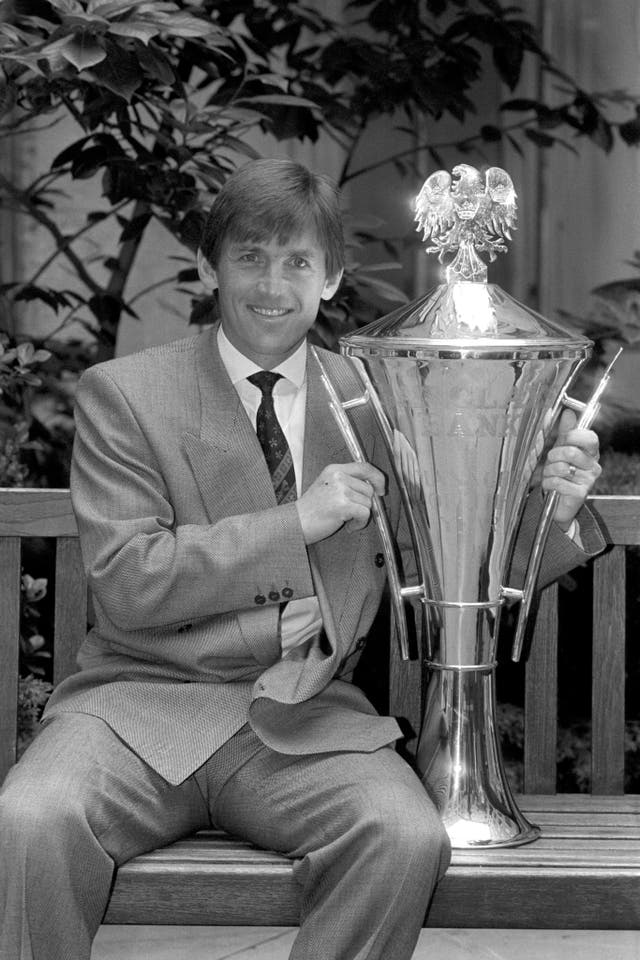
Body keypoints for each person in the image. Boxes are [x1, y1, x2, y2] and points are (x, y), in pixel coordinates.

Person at [0, 158, 605, 960]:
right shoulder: (125, 393)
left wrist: (554, 512)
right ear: (211, 267)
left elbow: (453, 556)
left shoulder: (380, 394)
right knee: (29, 820)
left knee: (399, 837)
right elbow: (127, 581)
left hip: (302, 717)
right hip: (132, 712)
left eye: (298, 261)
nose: (271, 283)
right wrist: (299, 522)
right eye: (249, 256)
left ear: (332, 278)